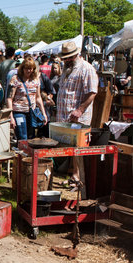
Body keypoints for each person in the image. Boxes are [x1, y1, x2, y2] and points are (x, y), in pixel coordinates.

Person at [56, 41, 98, 183]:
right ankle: (73, 174)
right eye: (65, 58)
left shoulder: (86, 68)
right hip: (66, 116)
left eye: (69, 57)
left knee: (78, 147)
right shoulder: (67, 69)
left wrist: (80, 110)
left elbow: (92, 92)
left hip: (78, 117)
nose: (67, 60)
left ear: (76, 55)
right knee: (71, 147)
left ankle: (78, 176)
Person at [6, 57, 48, 141]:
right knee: (22, 137)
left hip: (31, 111)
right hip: (19, 111)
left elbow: (38, 97)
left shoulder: (36, 80)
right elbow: (9, 98)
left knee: (31, 137)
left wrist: (44, 113)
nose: (28, 71)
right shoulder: (15, 79)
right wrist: (11, 117)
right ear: (22, 68)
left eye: (30, 69)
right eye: (26, 68)